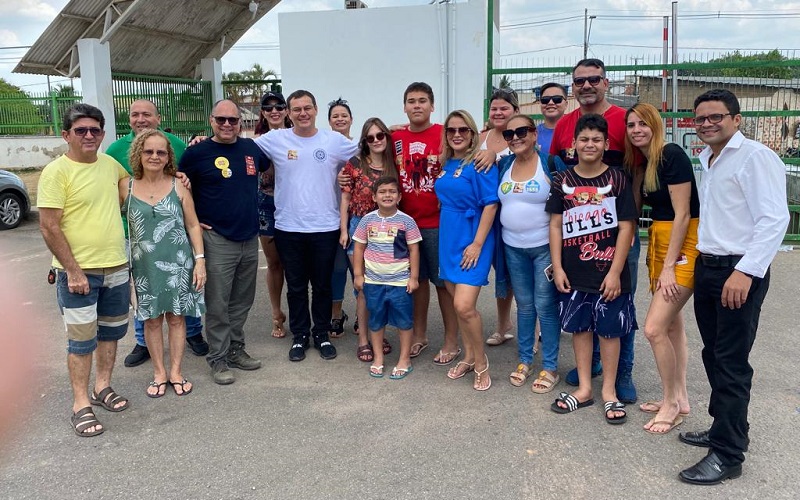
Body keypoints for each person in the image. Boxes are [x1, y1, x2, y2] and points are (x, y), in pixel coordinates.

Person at [678, 90, 789, 485]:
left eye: (715, 117)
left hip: (739, 272)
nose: (706, 124)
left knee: (731, 361)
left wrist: (745, 272)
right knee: (715, 354)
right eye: (700, 119)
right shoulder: (709, 158)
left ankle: (727, 455)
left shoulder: (756, 157)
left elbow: (775, 220)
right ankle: (725, 426)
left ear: (736, 119)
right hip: (709, 268)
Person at [38, 103, 131, 437]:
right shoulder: (56, 172)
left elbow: (136, 190)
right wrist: (73, 270)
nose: (89, 135)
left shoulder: (110, 165)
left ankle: (102, 387)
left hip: (116, 267)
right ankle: (81, 403)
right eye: (81, 130)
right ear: (66, 135)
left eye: (95, 130)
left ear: (103, 134)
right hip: (78, 274)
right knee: (81, 342)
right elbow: (49, 227)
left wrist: (178, 176)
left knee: (110, 334)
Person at [549, 58, 639, 403]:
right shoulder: (564, 125)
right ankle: (592, 371)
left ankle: (622, 375)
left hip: (616, 230)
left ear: (606, 82)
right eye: (579, 80)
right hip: (578, 243)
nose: (586, 85)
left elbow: (642, 160)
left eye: (593, 79)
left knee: (618, 305)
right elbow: (556, 164)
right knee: (584, 312)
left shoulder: (623, 119)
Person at [254, 90, 359, 362]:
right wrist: (201, 141)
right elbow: (239, 147)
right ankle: (300, 336)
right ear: (289, 113)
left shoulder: (333, 140)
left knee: (322, 285)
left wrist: (396, 130)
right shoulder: (276, 139)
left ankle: (321, 333)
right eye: (296, 109)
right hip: (288, 226)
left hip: (325, 226)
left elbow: (369, 150)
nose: (302, 113)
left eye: (307, 108)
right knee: (297, 286)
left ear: (315, 110)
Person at [106, 99, 209, 367]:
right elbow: (106, 203)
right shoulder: (115, 152)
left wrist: (200, 258)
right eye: (135, 114)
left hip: (175, 246)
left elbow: (190, 177)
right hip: (138, 243)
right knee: (148, 313)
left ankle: (193, 336)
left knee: (178, 312)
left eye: (147, 114)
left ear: (158, 118)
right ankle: (144, 346)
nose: (141, 119)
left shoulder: (176, 144)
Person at [179, 100, 269, 385]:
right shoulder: (196, 153)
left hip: (249, 237)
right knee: (217, 304)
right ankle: (217, 359)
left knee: (242, 300)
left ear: (240, 122)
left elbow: (267, 169)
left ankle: (235, 349)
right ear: (211, 120)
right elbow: (178, 186)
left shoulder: (251, 150)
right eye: (221, 120)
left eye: (233, 120)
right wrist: (190, 220)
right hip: (216, 238)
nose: (227, 125)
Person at [623, 103, 699, 434]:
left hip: (683, 243)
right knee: (671, 326)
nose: (637, 129)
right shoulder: (647, 161)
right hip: (659, 238)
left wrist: (669, 266)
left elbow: (683, 214)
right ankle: (679, 397)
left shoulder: (671, 155)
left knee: (653, 328)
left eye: (643, 123)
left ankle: (670, 404)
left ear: (656, 124)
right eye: (631, 125)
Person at [120, 129, 206, 397]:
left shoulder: (178, 184)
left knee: (178, 318)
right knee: (152, 320)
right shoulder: (126, 186)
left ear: (168, 156)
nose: (154, 156)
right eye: (148, 151)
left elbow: (192, 225)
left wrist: (200, 261)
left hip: (178, 263)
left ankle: (176, 371)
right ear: (138, 154)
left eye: (160, 152)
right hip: (143, 265)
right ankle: (159, 373)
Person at [496, 114, 563, 392]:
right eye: (509, 134)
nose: (515, 138)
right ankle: (525, 359)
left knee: (545, 306)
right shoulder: (505, 164)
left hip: (544, 248)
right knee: (524, 306)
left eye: (521, 131)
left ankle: (550, 366)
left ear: (534, 134)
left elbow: (565, 204)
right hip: (513, 248)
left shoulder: (549, 163)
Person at [435, 110, 499, 391]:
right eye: (451, 130)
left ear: (473, 134)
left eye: (463, 130)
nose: (457, 135)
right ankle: (470, 356)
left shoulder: (482, 162)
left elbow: (491, 204)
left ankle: (482, 362)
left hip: (474, 237)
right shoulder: (446, 162)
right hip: (449, 235)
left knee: (464, 305)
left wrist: (477, 244)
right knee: (456, 303)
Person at [339, 117, 399, 362]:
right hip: (359, 229)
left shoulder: (394, 163)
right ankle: (364, 339)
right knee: (362, 288)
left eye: (380, 135)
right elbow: (345, 200)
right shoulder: (354, 164)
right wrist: (344, 231)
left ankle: (378, 334)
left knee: (381, 287)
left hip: (388, 230)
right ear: (364, 141)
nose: (376, 141)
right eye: (370, 137)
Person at [352, 177, 422, 379]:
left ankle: (404, 359)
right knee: (376, 320)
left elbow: (413, 249)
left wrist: (414, 277)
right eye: (382, 192)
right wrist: (358, 274)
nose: (387, 195)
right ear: (374, 196)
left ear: (399, 197)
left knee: (404, 321)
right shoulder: (367, 220)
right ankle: (378, 358)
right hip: (373, 281)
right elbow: (358, 247)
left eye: (392, 191)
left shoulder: (406, 221)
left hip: (400, 282)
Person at [479, 88, 518, 348]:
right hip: (485, 215)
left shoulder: (518, 138)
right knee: (501, 273)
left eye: (504, 108)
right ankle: (504, 326)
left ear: (515, 111)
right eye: (494, 108)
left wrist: (497, 156)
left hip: (512, 215)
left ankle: (535, 327)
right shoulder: (480, 137)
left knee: (520, 275)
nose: (498, 112)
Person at [253, 91, 290, 339]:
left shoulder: (298, 137)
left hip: (295, 204)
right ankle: (277, 314)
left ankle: (304, 315)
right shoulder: (255, 142)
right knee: (274, 263)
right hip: (266, 205)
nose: (274, 111)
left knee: (299, 264)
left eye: (279, 106)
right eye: (269, 107)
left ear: (286, 110)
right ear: (263, 113)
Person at [328, 98, 355, 338]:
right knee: (336, 269)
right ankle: (336, 315)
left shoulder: (360, 147)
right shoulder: (324, 147)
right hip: (330, 218)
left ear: (351, 119)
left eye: (344, 115)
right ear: (329, 121)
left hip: (357, 217)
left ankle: (361, 316)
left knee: (359, 269)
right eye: (335, 115)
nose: (340, 119)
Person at [536, 82, 569, 155]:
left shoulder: (576, 131)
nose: (550, 103)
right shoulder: (532, 134)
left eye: (557, 99)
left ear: (566, 104)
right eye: (545, 100)